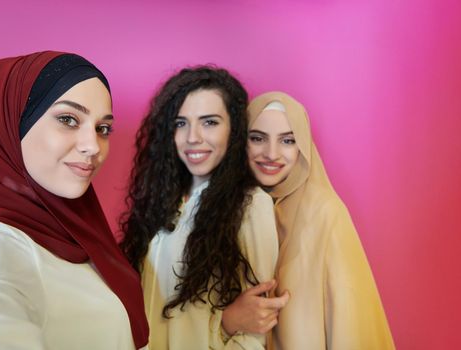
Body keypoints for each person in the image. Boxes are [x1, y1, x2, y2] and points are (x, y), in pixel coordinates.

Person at [0, 51, 149, 350]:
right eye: (68, 119)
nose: (93, 147)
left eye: (102, 129)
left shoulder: (73, 236)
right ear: (6, 125)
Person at [120, 67, 279, 349]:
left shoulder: (252, 204)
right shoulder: (163, 202)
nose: (193, 136)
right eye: (181, 123)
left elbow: (255, 326)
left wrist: (226, 324)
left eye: (209, 122)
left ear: (234, 129)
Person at [222, 91, 395, 349]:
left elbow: (351, 321)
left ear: (302, 145)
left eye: (288, 141)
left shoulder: (325, 213)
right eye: (257, 138)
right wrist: (230, 320)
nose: (271, 153)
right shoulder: (226, 211)